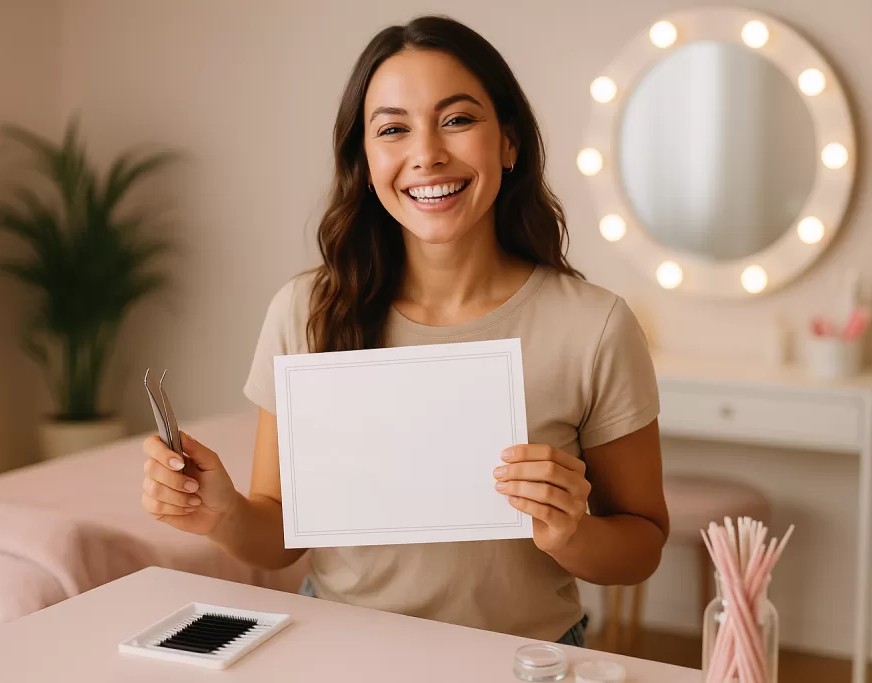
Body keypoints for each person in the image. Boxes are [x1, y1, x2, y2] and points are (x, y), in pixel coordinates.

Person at [140, 14, 669, 648]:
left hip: (522, 660)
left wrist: (572, 533)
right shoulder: (304, 311)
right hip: (341, 650)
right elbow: (281, 538)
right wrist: (221, 512)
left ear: (509, 142)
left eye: (457, 119)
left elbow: (641, 547)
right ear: (364, 162)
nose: (427, 154)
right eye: (393, 129)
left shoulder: (596, 326)